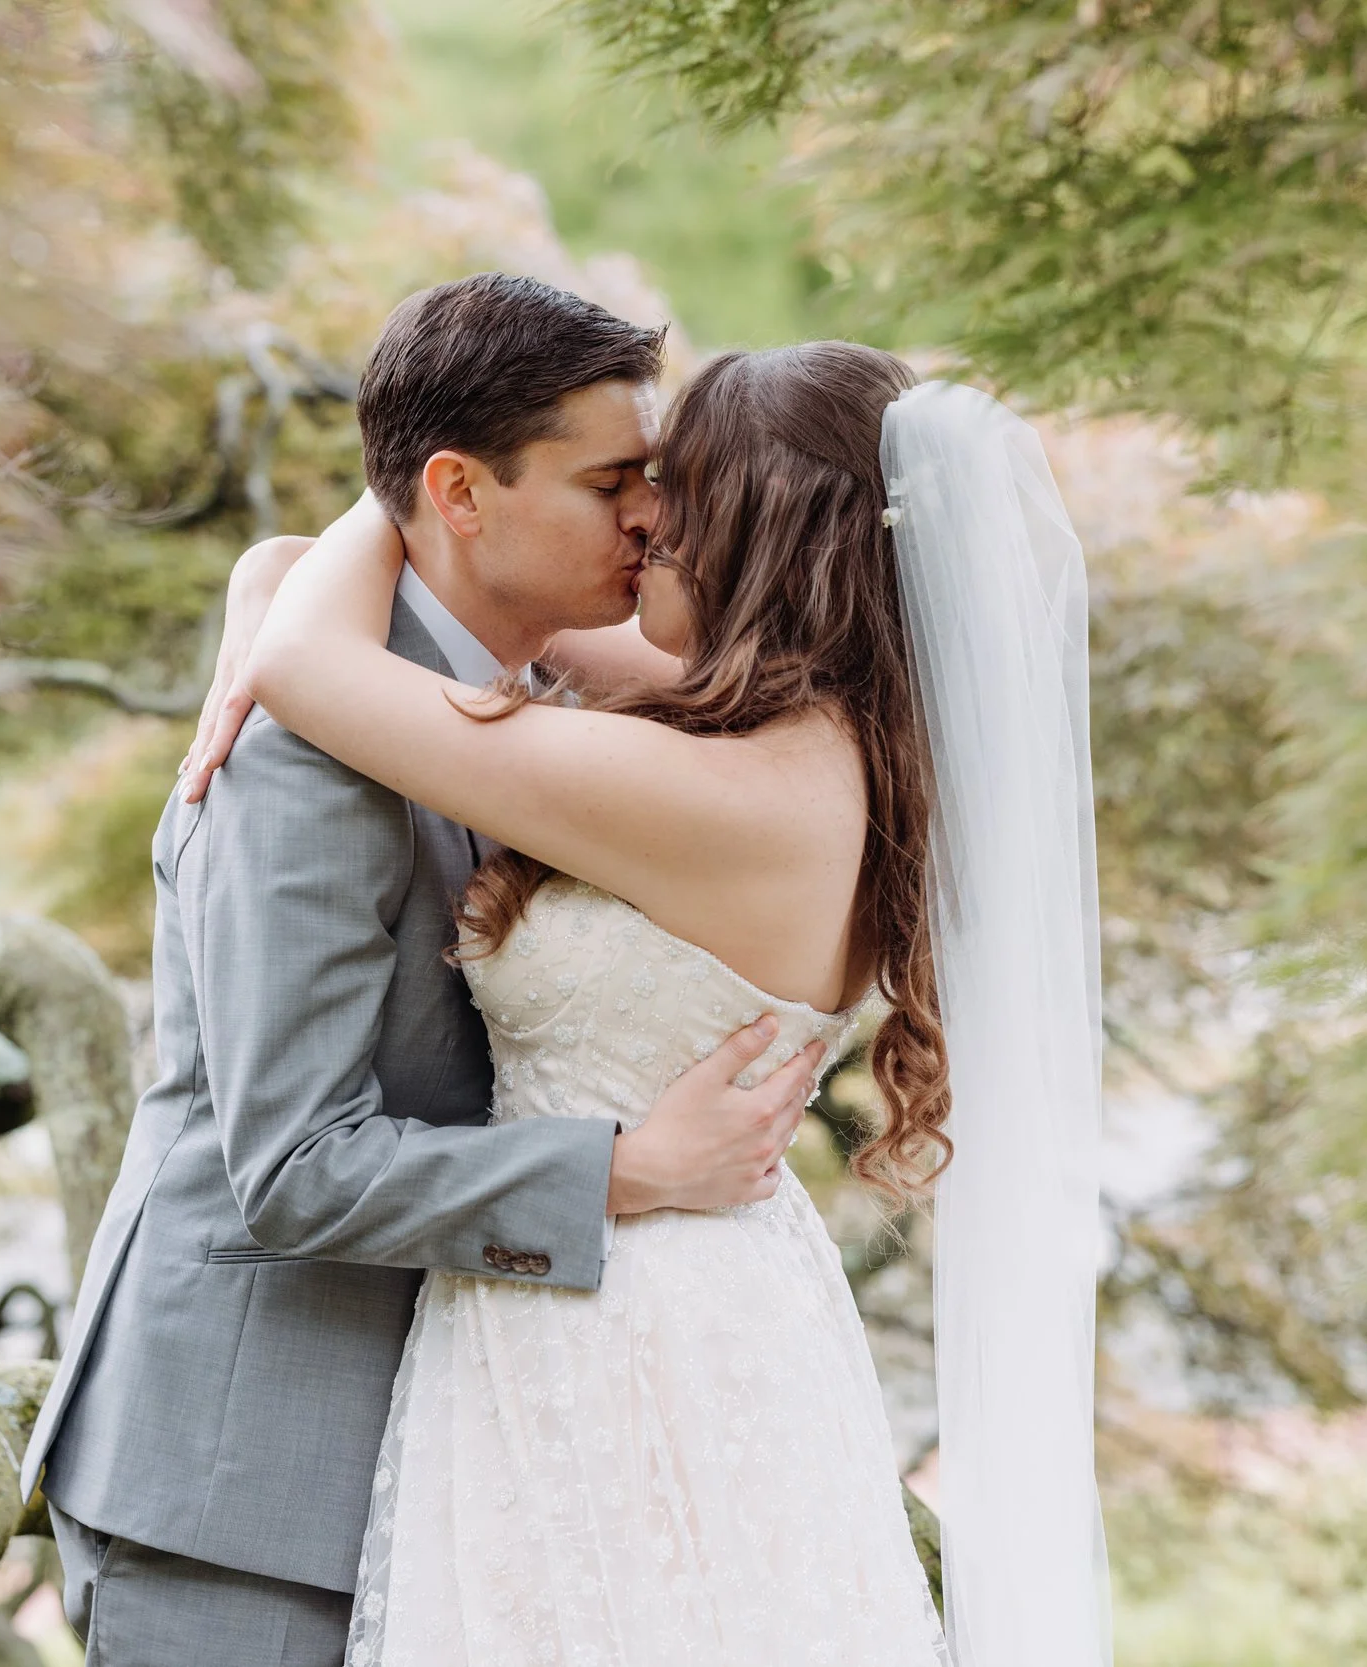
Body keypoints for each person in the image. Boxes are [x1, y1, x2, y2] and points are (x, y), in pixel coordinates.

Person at [216, 337, 1112, 1664]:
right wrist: (289, 560)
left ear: (761, 537)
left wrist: (410, 472)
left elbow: (311, 668)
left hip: (632, 1329)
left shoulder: (728, 796)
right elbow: (362, 602)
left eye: (676, 493)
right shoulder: (810, 737)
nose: (644, 526)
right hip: (660, 1290)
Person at [17, 274, 831, 1667]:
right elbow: (292, 1165)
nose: (654, 514)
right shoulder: (303, 755)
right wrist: (625, 1167)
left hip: (447, 1471)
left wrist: (279, 565)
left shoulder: (530, 699)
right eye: (613, 480)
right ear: (459, 493)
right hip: (244, 1489)